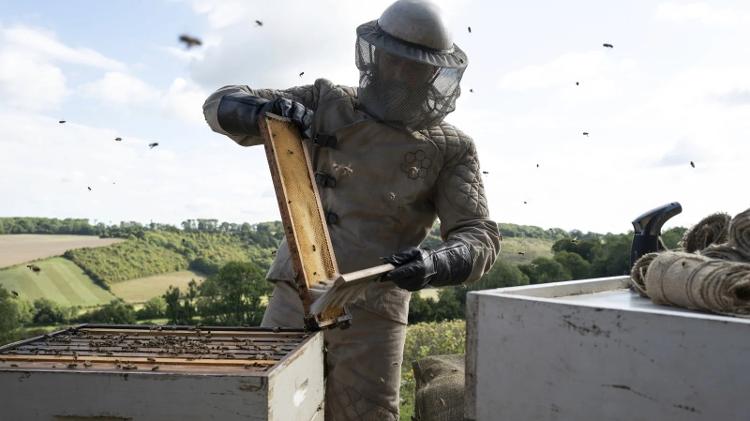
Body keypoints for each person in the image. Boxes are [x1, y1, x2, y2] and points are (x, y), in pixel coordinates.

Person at [202, 0, 500, 419]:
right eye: (395, 59)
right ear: (375, 56)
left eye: (415, 66)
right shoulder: (326, 100)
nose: (402, 72)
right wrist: (262, 111)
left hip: (374, 310)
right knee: (267, 404)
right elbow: (219, 103)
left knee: (364, 414)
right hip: (295, 293)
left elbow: (479, 234)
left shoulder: (452, 147)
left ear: (435, 73)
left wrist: (435, 263)